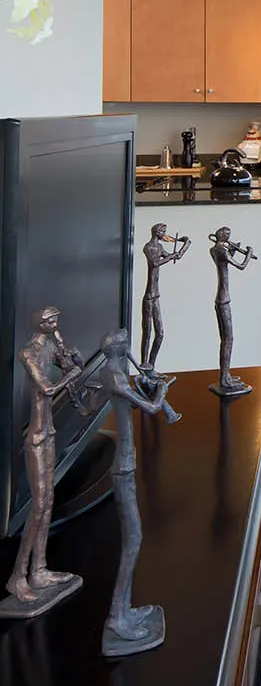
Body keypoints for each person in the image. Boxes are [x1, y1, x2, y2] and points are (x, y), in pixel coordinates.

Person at [96, 328, 175, 654]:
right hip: (124, 465)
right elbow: (152, 409)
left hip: (125, 462)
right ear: (120, 348)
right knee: (134, 540)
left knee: (133, 540)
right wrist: (162, 391)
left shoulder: (108, 373)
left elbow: (90, 408)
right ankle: (117, 617)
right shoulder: (115, 377)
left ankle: (124, 610)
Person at [5, 307, 83, 605]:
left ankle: (38, 570)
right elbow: (47, 389)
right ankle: (17, 576)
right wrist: (70, 374)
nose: (55, 323)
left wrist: (71, 359)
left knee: (49, 501)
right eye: (50, 320)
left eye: (56, 319)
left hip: (49, 432)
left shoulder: (51, 346)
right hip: (36, 438)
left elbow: (67, 367)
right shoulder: (27, 353)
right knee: (38, 506)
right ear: (39, 323)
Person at [208, 227, 256, 396]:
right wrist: (248, 254)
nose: (230, 237)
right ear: (222, 235)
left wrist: (233, 251)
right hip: (224, 300)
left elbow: (224, 263)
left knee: (225, 339)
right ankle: (224, 379)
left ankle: (225, 375)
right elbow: (241, 266)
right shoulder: (221, 250)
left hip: (221, 298)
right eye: (227, 235)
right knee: (228, 339)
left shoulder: (215, 249)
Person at [140, 223, 189, 370]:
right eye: (163, 232)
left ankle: (151, 366)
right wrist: (171, 256)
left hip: (156, 295)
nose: (165, 234)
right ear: (157, 232)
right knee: (147, 333)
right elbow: (154, 263)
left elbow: (176, 256)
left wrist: (186, 244)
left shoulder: (160, 247)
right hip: (149, 295)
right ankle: (144, 365)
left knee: (160, 333)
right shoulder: (148, 247)